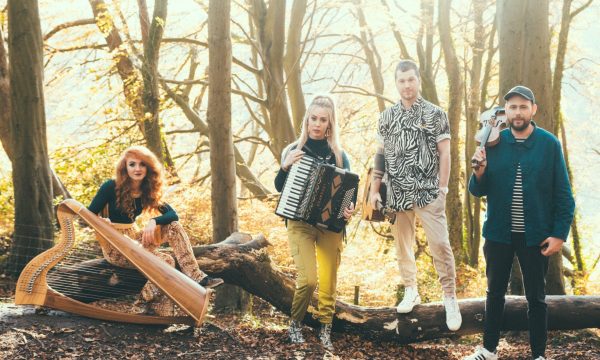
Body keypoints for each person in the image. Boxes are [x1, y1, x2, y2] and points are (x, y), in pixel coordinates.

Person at [465, 86, 575, 360]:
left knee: (536, 299)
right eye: (512, 107)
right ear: (506, 112)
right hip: (498, 234)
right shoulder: (494, 142)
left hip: (535, 236)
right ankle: (489, 350)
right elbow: (478, 190)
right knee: (494, 294)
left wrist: (559, 234)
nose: (517, 112)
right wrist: (479, 172)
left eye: (523, 107)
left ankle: (538, 354)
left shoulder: (549, 145)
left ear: (533, 110)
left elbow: (564, 196)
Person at [369, 59, 462, 331]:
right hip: (397, 193)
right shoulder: (386, 117)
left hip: (428, 192)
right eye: (401, 81)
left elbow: (445, 152)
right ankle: (411, 288)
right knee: (403, 247)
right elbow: (380, 155)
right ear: (396, 83)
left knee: (440, 246)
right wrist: (375, 190)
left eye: (411, 79)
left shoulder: (435, 114)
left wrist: (442, 188)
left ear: (418, 80)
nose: (407, 85)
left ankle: (450, 297)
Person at [88, 145, 223, 316]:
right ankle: (141, 304)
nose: (137, 169)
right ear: (125, 167)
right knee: (166, 261)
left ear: (148, 167)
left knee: (173, 227)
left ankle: (195, 275)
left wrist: (153, 221)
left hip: (133, 239)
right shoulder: (110, 186)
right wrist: (101, 222)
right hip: (114, 245)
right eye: (132, 164)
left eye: (142, 164)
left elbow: (173, 215)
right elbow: (87, 214)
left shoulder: (146, 189)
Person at [274, 95, 355, 351]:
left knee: (328, 280)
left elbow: (349, 194)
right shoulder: (293, 151)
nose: (317, 124)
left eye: (323, 120)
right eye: (313, 118)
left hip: (330, 227)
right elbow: (279, 188)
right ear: (306, 119)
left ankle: (325, 329)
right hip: (299, 223)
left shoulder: (340, 156)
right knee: (308, 279)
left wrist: (348, 210)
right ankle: (295, 324)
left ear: (330, 123)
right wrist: (284, 167)